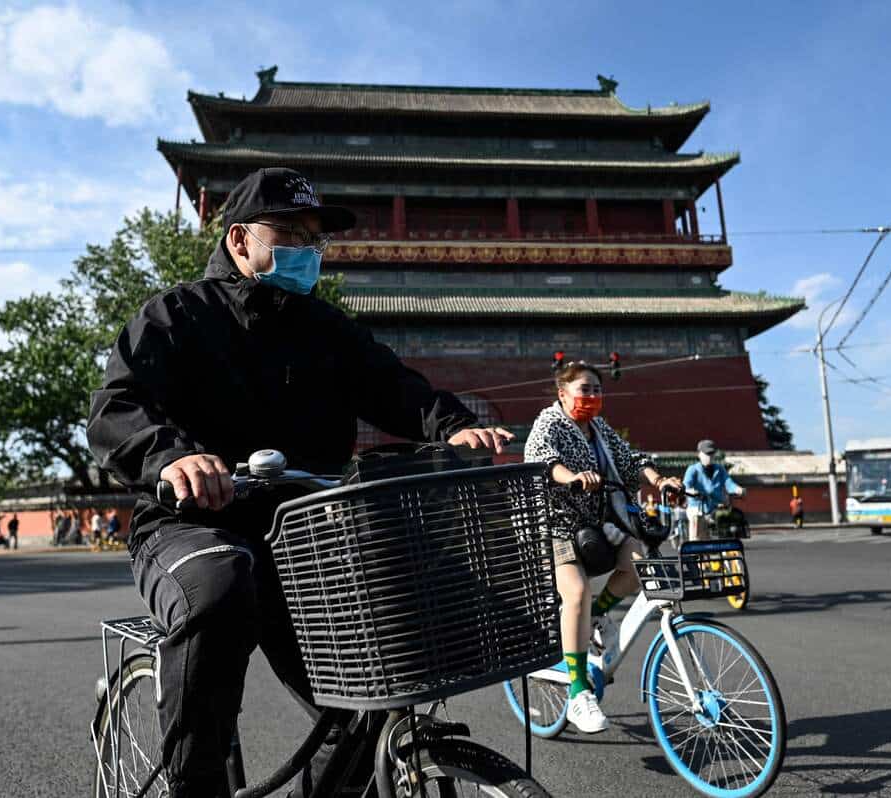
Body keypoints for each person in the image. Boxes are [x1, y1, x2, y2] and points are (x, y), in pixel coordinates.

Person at [87, 167, 511, 797]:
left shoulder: (328, 330)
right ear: (239, 241)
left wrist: (453, 427)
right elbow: (114, 408)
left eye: (315, 239)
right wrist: (172, 458)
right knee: (223, 584)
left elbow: (397, 389)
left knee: (368, 695)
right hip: (191, 525)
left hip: (307, 534)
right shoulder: (175, 316)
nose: (307, 250)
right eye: (290, 233)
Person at [524, 360, 681, 734]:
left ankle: (596, 616)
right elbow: (543, 462)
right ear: (563, 394)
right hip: (554, 525)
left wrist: (659, 480)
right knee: (576, 592)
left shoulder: (598, 429)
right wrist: (573, 477)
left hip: (597, 525)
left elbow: (631, 462)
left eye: (597, 388)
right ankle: (579, 693)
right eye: (584, 389)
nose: (592, 395)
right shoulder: (548, 423)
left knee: (638, 565)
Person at [683, 440, 745, 541]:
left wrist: (738, 489)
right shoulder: (693, 469)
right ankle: (694, 547)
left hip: (715, 507)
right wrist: (691, 491)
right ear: (699, 454)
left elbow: (729, 483)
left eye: (712, 453)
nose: (709, 456)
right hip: (697, 507)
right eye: (707, 453)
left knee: (729, 519)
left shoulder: (719, 469)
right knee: (696, 520)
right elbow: (685, 486)